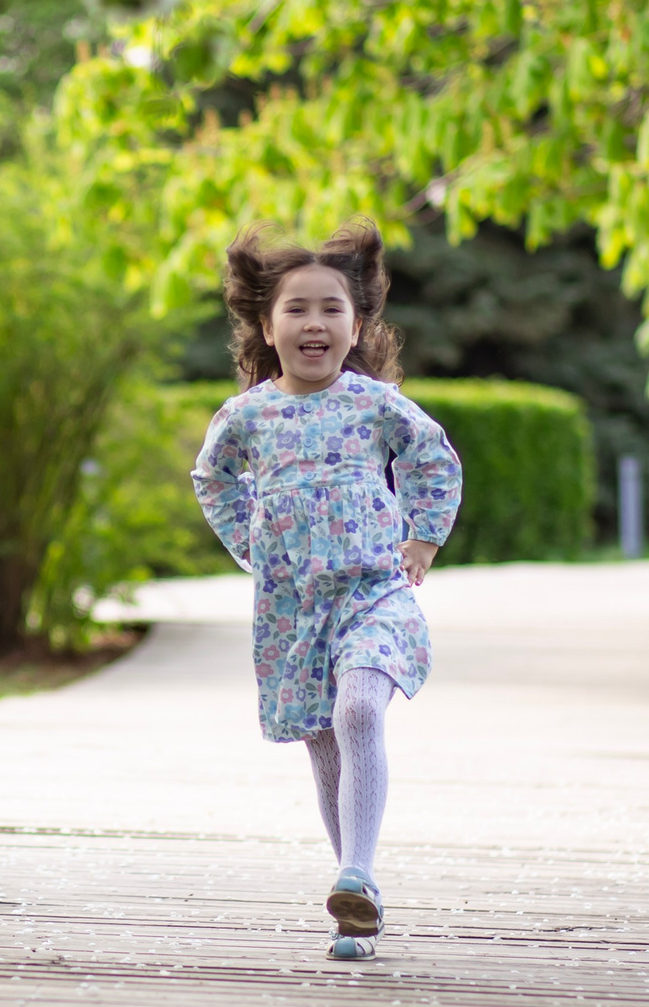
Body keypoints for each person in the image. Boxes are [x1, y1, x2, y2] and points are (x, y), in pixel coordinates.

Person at [192, 220, 462, 962]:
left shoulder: (376, 404)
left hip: (374, 591)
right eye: (297, 309)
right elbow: (211, 479)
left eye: (332, 309)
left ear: (358, 324)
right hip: (292, 608)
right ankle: (356, 908)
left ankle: (358, 872)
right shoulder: (246, 416)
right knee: (323, 746)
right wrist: (250, 541)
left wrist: (423, 538)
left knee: (358, 709)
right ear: (266, 327)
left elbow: (433, 459)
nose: (316, 323)